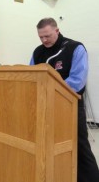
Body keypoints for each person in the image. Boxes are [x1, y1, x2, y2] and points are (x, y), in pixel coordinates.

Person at [30, 17, 99, 182]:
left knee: (80, 147)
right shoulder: (38, 51)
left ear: (57, 30)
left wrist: (51, 90)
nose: (44, 40)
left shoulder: (75, 48)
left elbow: (77, 80)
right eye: (41, 37)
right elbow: (31, 75)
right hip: (44, 106)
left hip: (70, 106)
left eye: (47, 36)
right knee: (50, 146)